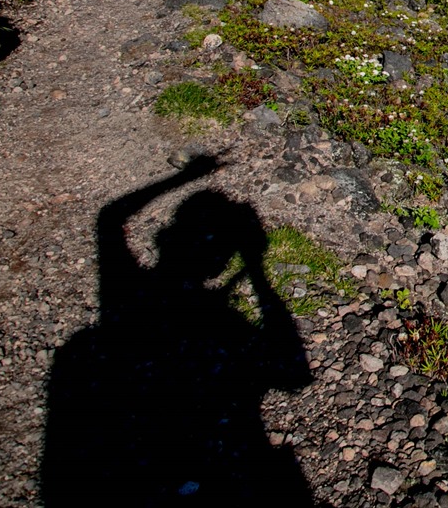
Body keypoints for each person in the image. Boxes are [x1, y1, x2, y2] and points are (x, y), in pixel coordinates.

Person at [43, 155, 315, 505]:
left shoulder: (126, 294)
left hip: (120, 462)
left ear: (165, 238)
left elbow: (109, 219)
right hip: (214, 463)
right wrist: (257, 272)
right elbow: (293, 373)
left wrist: (184, 177)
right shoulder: (219, 322)